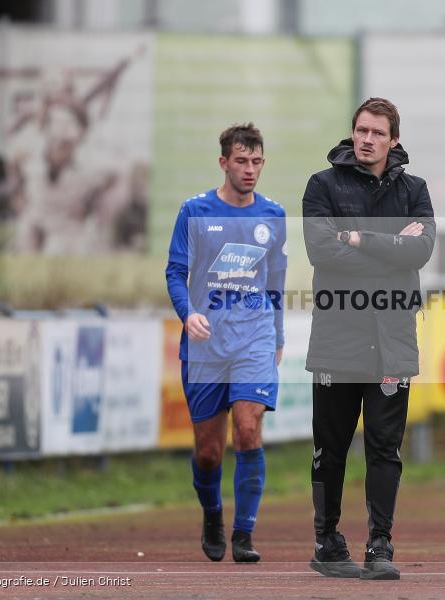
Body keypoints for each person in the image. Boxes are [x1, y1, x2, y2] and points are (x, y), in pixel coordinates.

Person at [303, 97, 436, 581]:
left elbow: (419, 251)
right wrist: (389, 248)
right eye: (361, 130)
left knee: (385, 448)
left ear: (393, 139)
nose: (366, 139)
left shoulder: (415, 189)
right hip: (338, 336)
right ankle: (328, 539)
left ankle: (380, 543)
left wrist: (357, 237)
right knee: (330, 448)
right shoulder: (322, 185)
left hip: (392, 339)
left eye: (377, 133)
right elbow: (322, 252)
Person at [165, 123, 287, 564]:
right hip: (206, 343)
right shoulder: (194, 211)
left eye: (256, 162)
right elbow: (175, 273)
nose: (250, 169)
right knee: (209, 451)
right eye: (241, 161)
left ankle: (244, 534)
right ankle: (213, 513)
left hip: (254, 338)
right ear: (224, 162)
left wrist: (278, 334)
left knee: (249, 431)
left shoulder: (273, 216)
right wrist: (188, 313)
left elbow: (275, 279)